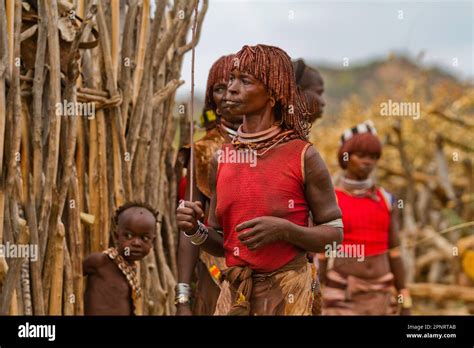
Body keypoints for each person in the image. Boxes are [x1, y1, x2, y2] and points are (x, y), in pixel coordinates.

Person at [177, 44, 343, 315]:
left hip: (289, 296)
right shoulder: (224, 158)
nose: (231, 88)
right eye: (231, 79)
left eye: (245, 81)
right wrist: (195, 230)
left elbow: (335, 236)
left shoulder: (303, 155)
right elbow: (222, 243)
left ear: (273, 93)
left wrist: (285, 230)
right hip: (236, 298)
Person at [320, 120, 412, 315]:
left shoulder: (386, 200)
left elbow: (394, 251)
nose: (367, 161)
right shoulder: (332, 200)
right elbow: (321, 253)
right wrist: (315, 293)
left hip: (382, 294)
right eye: (361, 155)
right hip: (342, 293)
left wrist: (404, 295)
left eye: (373, 156)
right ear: (346, 158)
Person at [176, 55, 243, 316]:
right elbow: (189, 226)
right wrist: (183, 298)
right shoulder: (203, 151)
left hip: (267, 272)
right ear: (211, 99)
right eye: (218, 89)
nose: (228, 95)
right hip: (216, 271)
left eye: (234, 85)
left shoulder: (275, 145)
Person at [83, 202, 158, 315]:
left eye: (145, 238)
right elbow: (72, 276)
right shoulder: (100, 262)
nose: (137, 243)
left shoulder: (130, 269)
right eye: (128, 235)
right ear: (117, 236)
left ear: (153, 242)